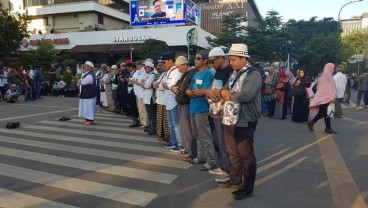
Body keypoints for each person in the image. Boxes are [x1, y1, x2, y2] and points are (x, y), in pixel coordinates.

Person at [207, 43, 261, 200]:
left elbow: (245, 95)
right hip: (229, 117)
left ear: (244, 58)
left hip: (245, 119)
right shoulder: (234, 73)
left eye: (234, 60)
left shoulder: (253, 74)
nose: (231, 63)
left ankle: (247, 187)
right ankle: (236, 179)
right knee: (233, 152)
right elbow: (225, 88)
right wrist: (219, 92)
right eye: (230, 60)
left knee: (246, 155)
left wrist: (224, 93)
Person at [186, 51, 216, 170]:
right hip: (193, 107)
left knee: (205, 136)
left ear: (205, 61)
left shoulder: (208, 73)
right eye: (195, 58)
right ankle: (200, 156)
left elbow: (205, 91)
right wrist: (189, 92)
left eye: (198, 58)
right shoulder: (195, 74)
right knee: (197, 135)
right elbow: (189, 89)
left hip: (202, 108)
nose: (195, 60)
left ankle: (211, 160)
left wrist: (196, 92)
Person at [206, 47, 233, 180]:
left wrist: (214, 93)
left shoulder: (230, 71)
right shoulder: (217, 71)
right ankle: (222, 166)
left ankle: (228, 169)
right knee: (217, 140)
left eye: (213, 61)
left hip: (224, 112)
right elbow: (212, 88)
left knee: (224, 142)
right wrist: (209, 92)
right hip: (214, 111)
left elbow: (227, 91)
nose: (211, 64)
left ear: (221, 58)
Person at [172, 56, 197, 157]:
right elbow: (178, 84)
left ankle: (191, 151)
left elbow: (184, 88)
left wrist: (178, 89)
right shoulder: (186, 74)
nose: (178, 69)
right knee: (184, 128)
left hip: (187, 104)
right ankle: (187, 148)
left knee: (187, 129)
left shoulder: (192, 73)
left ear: (184, 65)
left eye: (179, 67)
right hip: (183, 104)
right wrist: (173, 87)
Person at [160, 52, 184, 151]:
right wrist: (166, 85)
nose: (164, 64)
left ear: (170, 60)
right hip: (168, 100)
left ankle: (180, 144)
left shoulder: (176, 71)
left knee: (176, 123)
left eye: (165, 61)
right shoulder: (169, 71)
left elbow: (172, 85)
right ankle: (174, 142)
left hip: (174, 101)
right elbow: (163, 84)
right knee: (170, 123)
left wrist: (167, 85)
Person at [308, 63, 337, 134]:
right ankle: (327, 128)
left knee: (323, 113)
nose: (334, 70)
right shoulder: (328, 77)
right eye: (333, 68)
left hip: (323, 98)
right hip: (327, 98)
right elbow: (330, 89)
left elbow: (317, 88)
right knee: (327, 113)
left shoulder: (323, 76)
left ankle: (313, 123)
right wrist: (332, 97)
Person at [78, 61, 97, 125]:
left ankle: (90, 120)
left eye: (85, 66)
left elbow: (83, 82)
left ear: (89, 67)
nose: (84, 67)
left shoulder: (90, 75)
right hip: (86, 94)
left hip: (89, 94)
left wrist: (80, 81)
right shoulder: (86, 74)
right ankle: (87, 119)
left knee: (89, 107)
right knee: (86, 107)